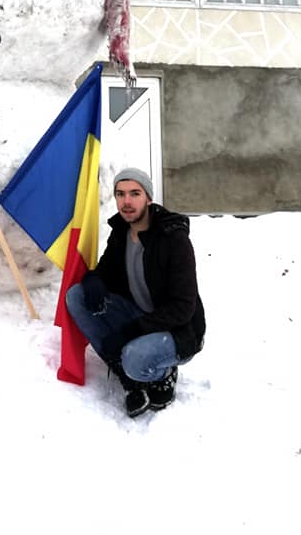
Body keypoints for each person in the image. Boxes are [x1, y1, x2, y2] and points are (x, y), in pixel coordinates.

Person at [66, 167, 205, 417]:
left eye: (135, 193)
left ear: (148, 198)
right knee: (76, 296)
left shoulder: (173, 239)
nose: (127, 202)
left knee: (134, 358)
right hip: (139, 314)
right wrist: (92, 281)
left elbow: (183, 307)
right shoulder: (121, 231)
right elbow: (105, 269)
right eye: (120, 194)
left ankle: (163, 373)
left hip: (178, 329)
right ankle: (127, 375)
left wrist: (129, 332)